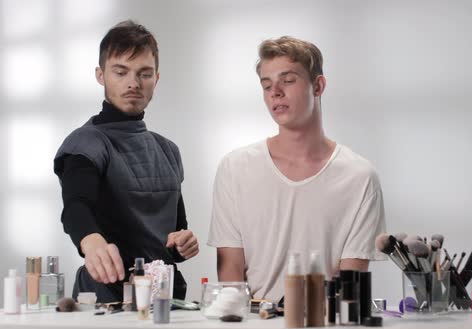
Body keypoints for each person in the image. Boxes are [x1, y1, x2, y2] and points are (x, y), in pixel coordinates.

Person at [207, 36, 385, 301]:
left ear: (318, 85)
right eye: (266, 85)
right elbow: (231, 282)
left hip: (326, 322)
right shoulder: (235, 168)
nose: (275, 92)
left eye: (288, 81)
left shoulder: (359, 178)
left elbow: (351, 288)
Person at [53, 20, 199, 303]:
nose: (133, 83)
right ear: (101, 75)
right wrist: (92, 242)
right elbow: (75, 206)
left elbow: (173, 236)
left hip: (164, 299)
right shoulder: (86, 142)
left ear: (156, 78)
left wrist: (182, 244)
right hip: (106, 298)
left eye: (144, 74)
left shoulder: (168, 150)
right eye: (121, 72)